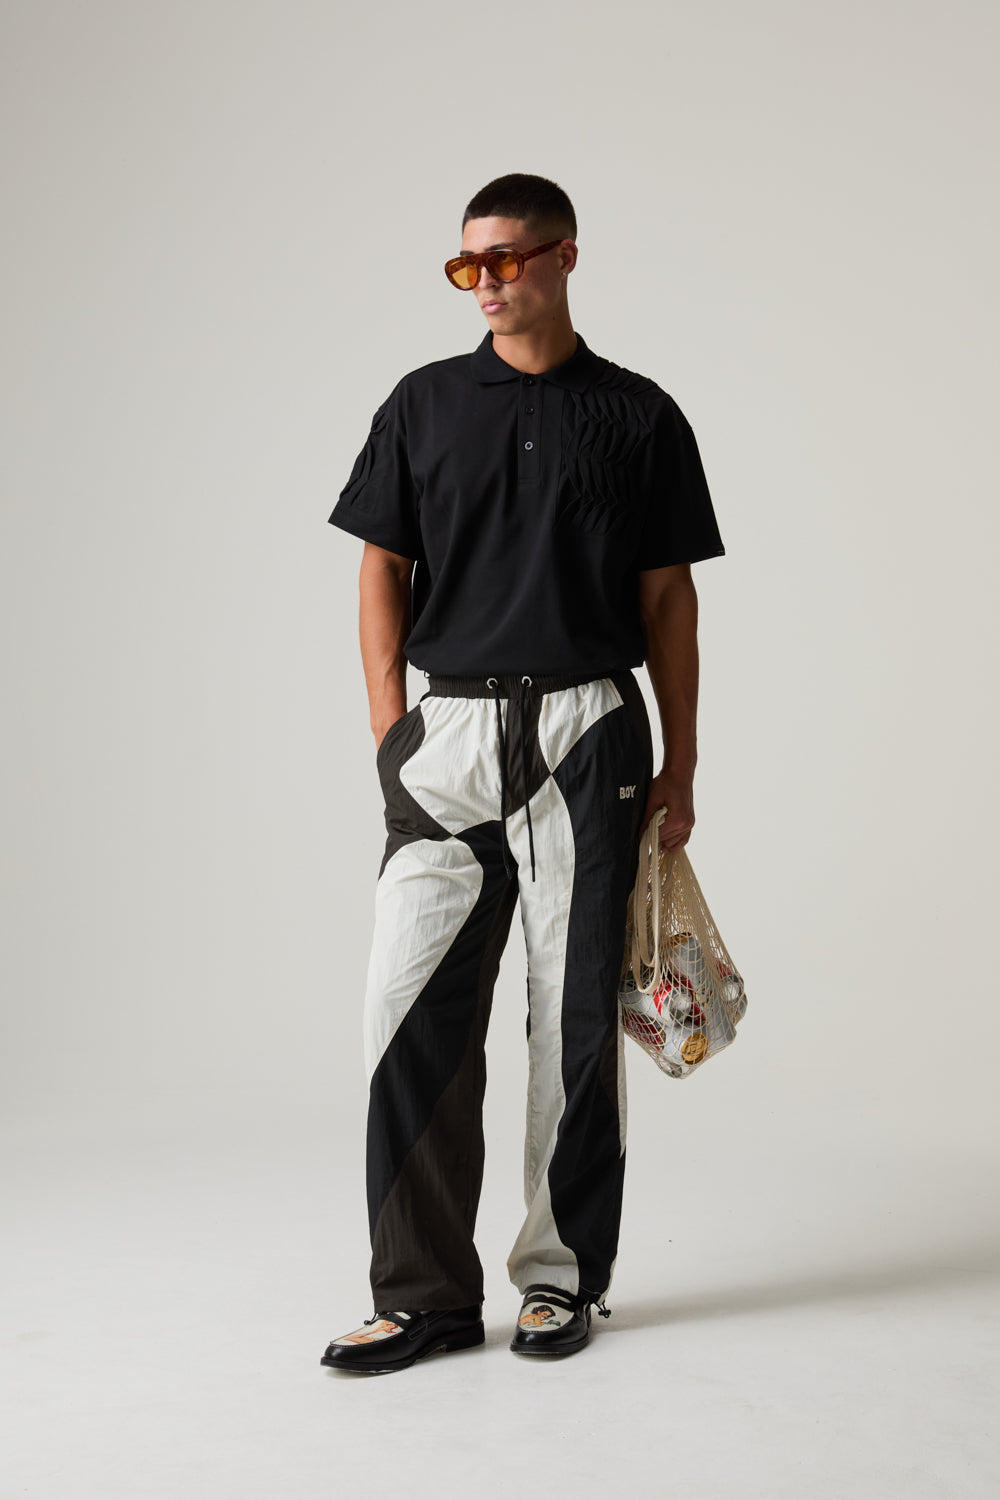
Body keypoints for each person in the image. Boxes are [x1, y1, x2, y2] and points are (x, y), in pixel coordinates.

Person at [320, 174, 725, 1375]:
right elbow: (379, 565)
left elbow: (668, 597)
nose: (486, 281)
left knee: (570, 1027)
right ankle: (424, 1295)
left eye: (504, 259)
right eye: (466, 266)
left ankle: (559, 1282)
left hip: (588, 731)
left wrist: (682, 757)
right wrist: (393, 726)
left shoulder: (639, 415)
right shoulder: (424, 404)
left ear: (563, 257)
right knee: (405, 1012)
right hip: (445, 741)